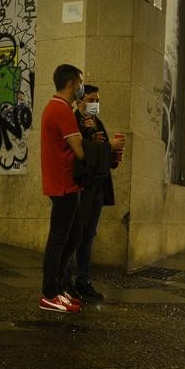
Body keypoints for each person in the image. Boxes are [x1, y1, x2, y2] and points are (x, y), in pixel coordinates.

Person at [39, 65, 124, 313]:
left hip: (69, 183)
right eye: (80, 83)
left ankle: (60, 287)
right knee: (59, 239)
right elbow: (79, 150)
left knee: (74, 236)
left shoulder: (59, 108)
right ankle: (49, 292)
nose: (81, 87)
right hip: (63, 183)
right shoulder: (61, 110)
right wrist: (108, 147)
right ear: (71, 84)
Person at [69, 84, 123, 301]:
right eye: (92, 100)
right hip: (84, 186)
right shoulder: (74, 122)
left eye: (98, 101)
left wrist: (113, 154)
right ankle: (69, 281)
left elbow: (104, 155)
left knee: (89, 236)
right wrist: (105, 147)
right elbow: (81, 153)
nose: (95, 104)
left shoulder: (97, 122)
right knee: (77, 235)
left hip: (98, 187)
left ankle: (83, 281)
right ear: (80, 101)